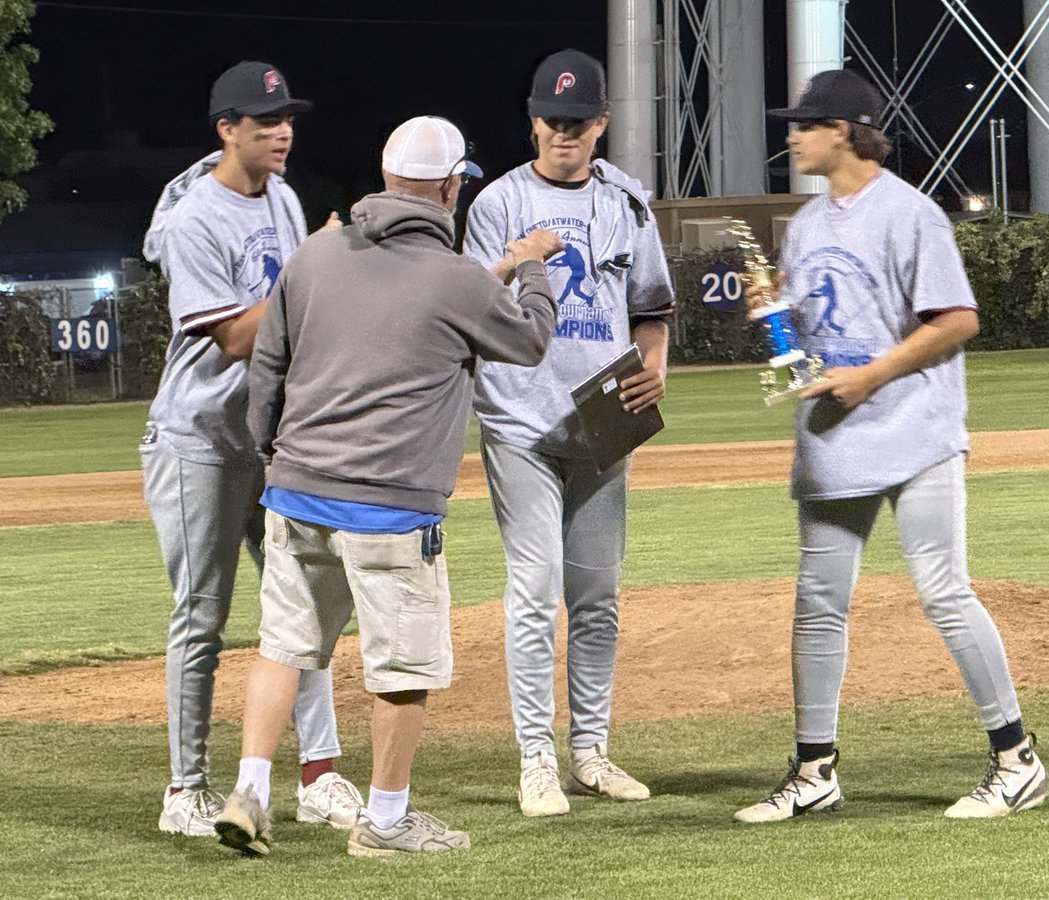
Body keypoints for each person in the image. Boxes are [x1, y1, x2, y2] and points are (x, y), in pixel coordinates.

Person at [212, 115, 561, 858]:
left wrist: (272, 454)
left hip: (297, 491)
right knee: (402, 667)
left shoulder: (317, 253)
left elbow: (267, 365)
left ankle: (248, 789)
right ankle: (388, 819)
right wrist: (532, 263)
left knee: (283, 646)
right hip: (392, 505)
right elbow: (529, 341)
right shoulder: (457, 276)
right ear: (448, 186)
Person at [734, 68, 1049, 824]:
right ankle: (814, 771)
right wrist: (773, 312)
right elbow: (811, 329)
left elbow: (957, 320)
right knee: (818, 605)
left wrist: (874, 375)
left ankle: (1017, 760)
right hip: (835, 437)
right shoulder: (807, 225)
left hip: (915, 431)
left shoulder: (908, 214)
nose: (791, 136)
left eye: (803, 125)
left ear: (842, 130)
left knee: (943, 590)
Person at [140, 60, 360, 837]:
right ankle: (184, 791)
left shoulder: (286, 200)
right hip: (198, 438)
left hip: (270, 442)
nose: (281, 131)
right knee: (202, 617)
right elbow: (236, 336)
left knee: (300, 609)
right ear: (225, 131)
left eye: (286, 118)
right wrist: (315, 269)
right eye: (262, 120)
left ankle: (321, 774)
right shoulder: (197, 216)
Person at [463, 49, 676, 817]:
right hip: (520, 417)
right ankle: (535, 759)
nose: (564, 133)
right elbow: (471, 303)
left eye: (578, 122)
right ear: (532, 122)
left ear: (601, 124)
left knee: (598, 593)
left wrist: (655, 365)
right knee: (533, 589)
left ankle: (590, 751)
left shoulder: (628, 201)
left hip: (604, 415)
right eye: (552, 121)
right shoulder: (497, 205)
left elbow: (652, 305)